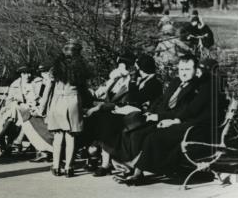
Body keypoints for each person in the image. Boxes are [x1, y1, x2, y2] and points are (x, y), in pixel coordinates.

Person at [113, 54, 219, 185]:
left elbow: (190, 110)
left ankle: (137, 171)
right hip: (181, 120)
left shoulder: (203, 86)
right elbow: (164, 102)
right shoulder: (181, 82)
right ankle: (135, 167)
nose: (184, 73)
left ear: (196, 70)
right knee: (138, 132)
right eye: (181, 70)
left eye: (187, 70)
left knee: (153, 136)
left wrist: (174, 120)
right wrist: (153, 114)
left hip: (195, 127)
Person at [84, 54, 163, 177]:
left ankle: (101, 158)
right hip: (130, 111)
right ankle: (101, 159)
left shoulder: (153, 83)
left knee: (106, 121)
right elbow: (103, 93)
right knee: (104, 119)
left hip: (142, 114)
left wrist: (132, 81)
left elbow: (135, 98)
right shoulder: (142, 80)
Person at [46, 40, 92, 177]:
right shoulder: (81, 69)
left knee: (58, 136)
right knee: (71, 136)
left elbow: (49, 88)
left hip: (58, 101)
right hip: (73, 101)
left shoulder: (55, 68)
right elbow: (84, 90)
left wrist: (43, 107)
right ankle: (69, 168)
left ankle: (56, 166)